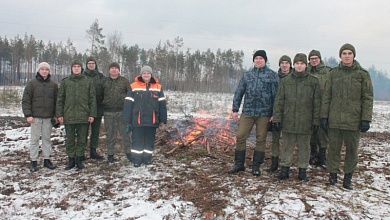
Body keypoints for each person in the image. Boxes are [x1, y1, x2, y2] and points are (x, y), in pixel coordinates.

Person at [321, 43, 373, 189]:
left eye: (349, 53)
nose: (347, 56)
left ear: (353, 55)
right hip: (335, 119)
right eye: (344, 53)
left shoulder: (362, 74)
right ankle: (332, 176)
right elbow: (327, 96)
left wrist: (365, 118)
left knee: (352, 151)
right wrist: (324, 116)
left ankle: (348, 177)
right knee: (333, 150)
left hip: (353, 120)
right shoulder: (333, 73)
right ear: (340, 56)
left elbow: (367, 98)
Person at [229, 50, 278, 176]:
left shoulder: (272, 75)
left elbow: (276, 96)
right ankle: (239, 164)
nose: (258, 60)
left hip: (264, 113)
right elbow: (239, 92)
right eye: (256, 58)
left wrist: (274, 113)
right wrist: (235, 109)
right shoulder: (247, 75)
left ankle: (256, 166)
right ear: (254, 60)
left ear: (265, 60)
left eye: (261, 58)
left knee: (261, 139)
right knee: (240, 136)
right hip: (248, 112)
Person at [273, 53, 320, 181]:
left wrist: (316, 121)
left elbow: (317, 103)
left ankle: (302, 171)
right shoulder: (285, 81)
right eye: (297, 63)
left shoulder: (313, 82)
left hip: (306, 122)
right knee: (287, 146)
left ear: (306, 65)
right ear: (294, 65)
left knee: (304, 148)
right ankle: (284, 170)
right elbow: (279, 102)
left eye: (302, 63)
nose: (299, 66)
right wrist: (277, 118)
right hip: (288, 120)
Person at [56, 60, 97, 170]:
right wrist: (59, 114)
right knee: (70, 139)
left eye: (78, 66)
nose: (76, 68)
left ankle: (79, 158)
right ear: (71, 68)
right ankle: (71, 159)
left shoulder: (87, 82)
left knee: (82, 139)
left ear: (81, 68)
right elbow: (60, 99)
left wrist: (92, 114)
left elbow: (92, 99)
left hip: (83, 115)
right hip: (69, 115)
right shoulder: (65, 82)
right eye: (74, 66)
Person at [123, 66, 167, 167]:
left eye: (148, 73)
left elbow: (162, 105)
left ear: (151, 74)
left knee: (149, 141)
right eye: (144, 73)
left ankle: (147, 159)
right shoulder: (133, 86)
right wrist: (127, 120)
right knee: (137, 141)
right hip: (137, 120)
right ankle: (137, 160)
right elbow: (128, 104)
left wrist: (163, 120)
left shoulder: (158, 87)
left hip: (152, 120)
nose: (146, 75)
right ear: (141, 74)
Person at [22, 62, 58, 172]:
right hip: (35, 117)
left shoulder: (53, 85)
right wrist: (28, 115)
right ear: (38, 70)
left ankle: (47, 159)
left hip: (48, 117)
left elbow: (57, 101)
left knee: (47, 139)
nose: (44, 71)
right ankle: (33, 160)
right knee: (35, 139)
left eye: (46, 69)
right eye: (42, 69)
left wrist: (56, 115)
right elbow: (26, 101)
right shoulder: (31, 84)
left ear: (49, 71)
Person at [101, 62, 132, 163]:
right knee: (110, 135)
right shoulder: (104, 81)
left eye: (116, 68)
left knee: (126, 135)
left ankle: (129, 153)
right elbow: (99, 96)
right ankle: (110, 154)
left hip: (122, 112)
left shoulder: (124, 81)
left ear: (119, 70)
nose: (114, 70)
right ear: (109, 70)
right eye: (112, 68)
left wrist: (129, 110)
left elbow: (130, 96)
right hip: (108, 113)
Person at [268, 55, 292, 173]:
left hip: (290, 113)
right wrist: (272, 113)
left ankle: (286, 162)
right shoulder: (274, 77)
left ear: (290, 64)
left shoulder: (294, 78)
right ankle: (274, 162)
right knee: (275, 139)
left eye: (287, 63)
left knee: (288, 140)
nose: (284, 65)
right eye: (282, 63)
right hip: (276, 112)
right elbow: (271, 97)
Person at [307, 50, 331, 167]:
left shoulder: (327, 72)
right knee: (312, 132)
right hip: (308, 107)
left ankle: (323, 156)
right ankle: (313, 154)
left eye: (316, 58)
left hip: (322, 106)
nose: (314, 60)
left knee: (322, 133)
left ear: (320, 59)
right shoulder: (306, 70)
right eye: (311, 58)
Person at [83, 56, 104, 160]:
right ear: (86, 65)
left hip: (98, 108)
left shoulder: (100, 76)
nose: (91, 65)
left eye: (93, 63)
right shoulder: (82, 76)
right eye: (89, 63)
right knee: (84, 131)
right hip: (85, 108)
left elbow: (105, 90)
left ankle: (93, 151)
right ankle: (81, 152)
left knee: (95, 131)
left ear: (96, 65)